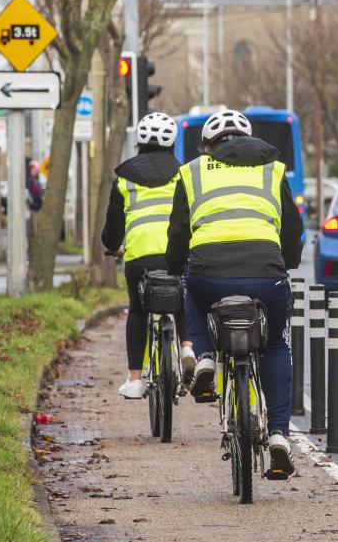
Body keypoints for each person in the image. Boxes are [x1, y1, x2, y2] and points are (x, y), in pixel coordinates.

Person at [166, 108, 304, 478]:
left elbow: (179, 232)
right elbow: (292, 229)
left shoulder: (191, 172)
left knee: (190, 290)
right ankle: (278, 435)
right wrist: (286, 263)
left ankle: (206, 356)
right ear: (248, 140)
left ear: (208, 146)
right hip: (266, 273)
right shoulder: (273, 171)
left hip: (208, 273)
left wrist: (176, 266)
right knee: (276, 346)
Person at [102, 112, 196, 399]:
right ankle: (188, 347)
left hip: (139, 256)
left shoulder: (124, 179)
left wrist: (115, 247)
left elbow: (111, 233)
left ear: (138, 141)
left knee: (139, 309)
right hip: (175, 251)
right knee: (183, 300)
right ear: (172, 143)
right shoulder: (185, 174)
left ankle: (134, 378)